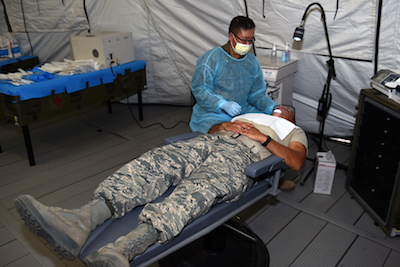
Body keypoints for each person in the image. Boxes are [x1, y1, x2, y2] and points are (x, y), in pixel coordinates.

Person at [14, 105, 307, 267]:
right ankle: (79, 220)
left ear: (291, 117)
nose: (280, 110)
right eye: (277, 107)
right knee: (154, 163)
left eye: (286, 110)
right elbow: (212, 130)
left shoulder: (292, 131)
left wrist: (262, 138)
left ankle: (124, 249)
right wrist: (227, 126)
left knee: (196, 191)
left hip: (243, 157)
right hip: (208, 142)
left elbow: (295, 161)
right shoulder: (250, 114)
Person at [190, 16, 277, 134]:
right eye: (244, 40)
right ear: (231, 36)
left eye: (251, 40)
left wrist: (271, 107)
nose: (247, 44)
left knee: (272, 127)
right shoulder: (211, 59)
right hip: (213, 114)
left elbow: (256, 94)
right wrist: (222, 104)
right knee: (225, 140)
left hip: (244, 111)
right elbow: (201, 90)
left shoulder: (251, 61)